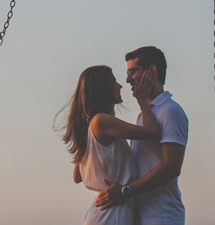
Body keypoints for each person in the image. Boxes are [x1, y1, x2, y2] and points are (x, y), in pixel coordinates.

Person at [94, 46, 188, 225]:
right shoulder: (145, 115)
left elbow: (172, 166)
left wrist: (125, 191)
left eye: (132, 72)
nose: (128, 79)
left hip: (162, 216)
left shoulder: (170, 111)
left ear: (151, 71)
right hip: (140, 216)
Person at [61, 64, 161, 225]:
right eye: (114, 81)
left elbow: (77, 176)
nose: (120, 85)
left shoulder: (90, 128)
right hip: (112, 211)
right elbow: (152, 132)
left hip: (104, 211)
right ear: (103, 88)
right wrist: (143, 101)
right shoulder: (101, 121)